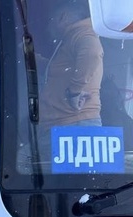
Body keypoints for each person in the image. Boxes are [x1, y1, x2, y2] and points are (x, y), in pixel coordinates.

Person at [38, 0, 104, 155]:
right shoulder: (74, 37)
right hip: (69, 126)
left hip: (73, 126)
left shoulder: (83, 33)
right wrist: (32, 59)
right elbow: (57, 71)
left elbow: (92, 54)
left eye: (51, 20)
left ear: (64, 17)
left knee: (22, 161)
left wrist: (74, 91)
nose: (48, 27)